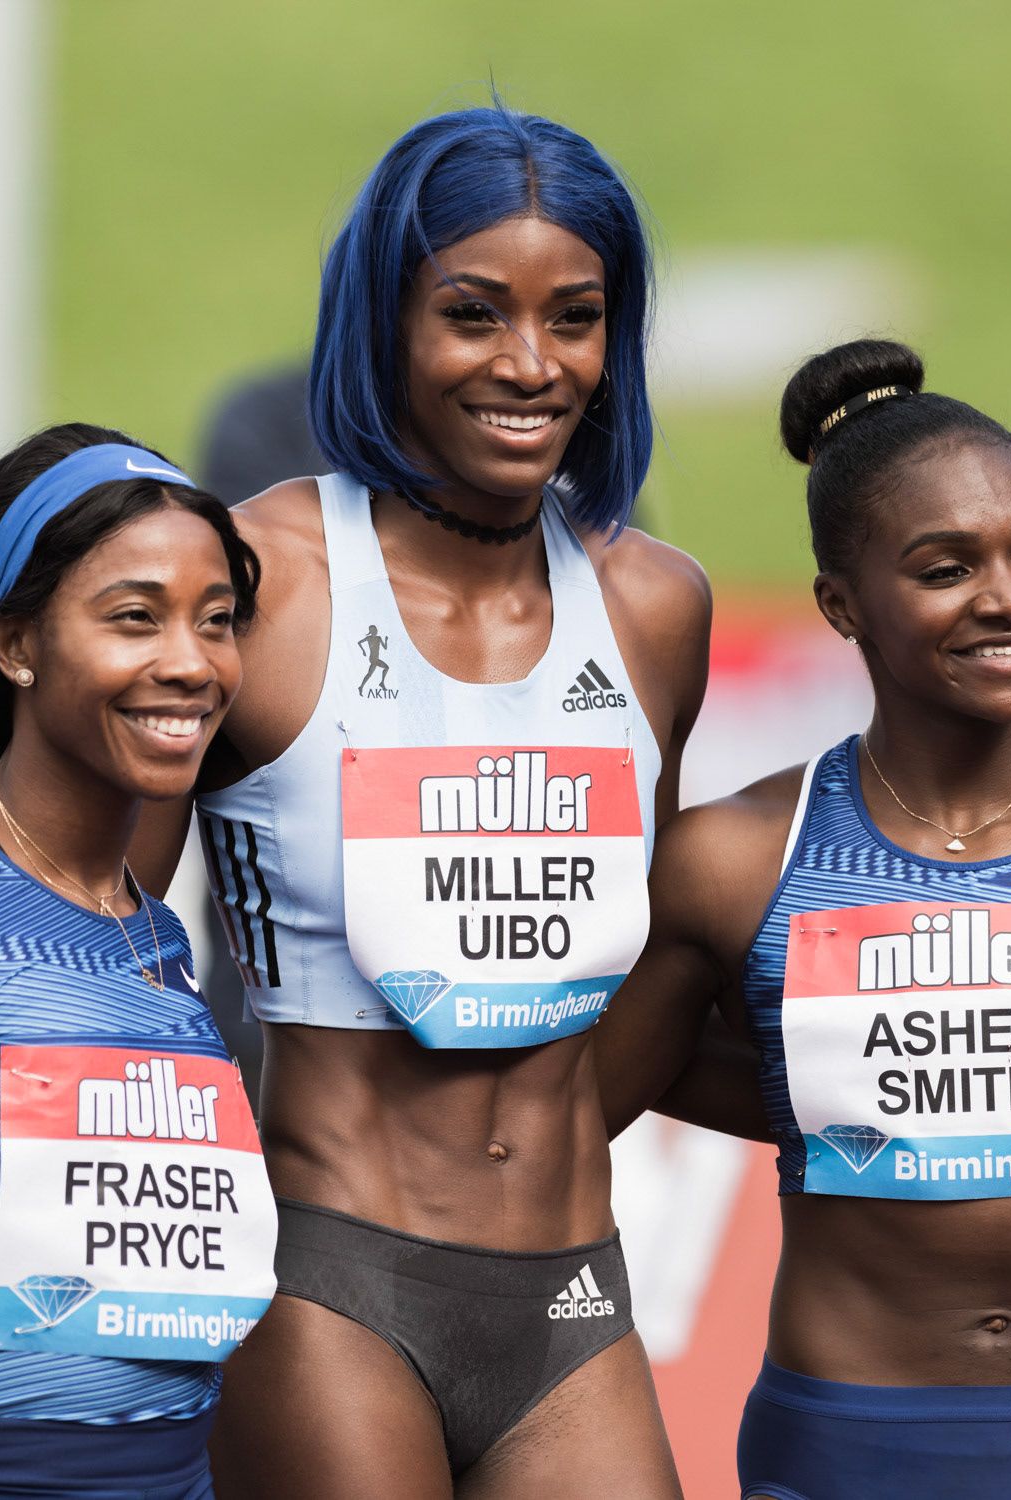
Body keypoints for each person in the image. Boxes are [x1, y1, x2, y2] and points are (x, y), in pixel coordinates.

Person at [132, 103, 711, 1497]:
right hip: (328, 1278)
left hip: (571, 1290)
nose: (530, 364)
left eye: (574, 319)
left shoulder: (653, 605)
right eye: (472, 313)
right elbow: (106, 927)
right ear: (382, 322)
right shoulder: (257, 580)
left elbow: (655, 951)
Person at [597, 338, 1011, 1500]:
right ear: (840, 606)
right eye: (945, 568)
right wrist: (830, 1102)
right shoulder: (736, 859)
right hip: (846, 1442)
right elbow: (580, 1102)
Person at [0, 424, 277, 1498]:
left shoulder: (151, 931)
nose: (191, 662)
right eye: (135, 617)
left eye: (217, 620)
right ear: (15, 644)